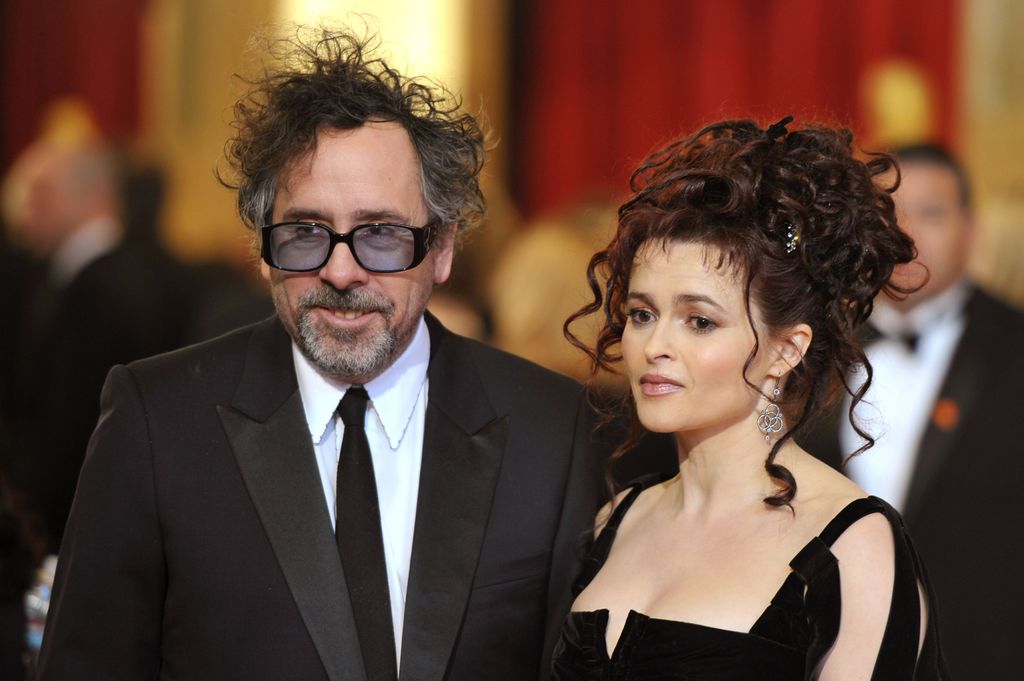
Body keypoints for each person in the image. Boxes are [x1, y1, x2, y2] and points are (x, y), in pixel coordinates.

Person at [36, 28, 602, 681]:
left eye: (381, 234)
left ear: (443, 247)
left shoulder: (550, 429)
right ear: (261, 245)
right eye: (306, 233)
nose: (340, 270)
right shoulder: (158, 421)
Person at [553, 118, 949, 679]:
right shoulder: (618, 520)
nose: (655, 345)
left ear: (787, 350)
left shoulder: (850, 545)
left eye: (699, 321)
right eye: (642, 314)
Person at [802, 144, 1024, 678]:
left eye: (931, 212)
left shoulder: (1014, 347)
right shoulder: (810, 346)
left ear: (971, 231)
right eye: (886, 214)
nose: (904, 234)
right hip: (826, 652)